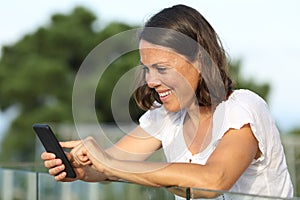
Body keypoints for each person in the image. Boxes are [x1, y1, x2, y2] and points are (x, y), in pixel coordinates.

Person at [41, 4, 294, 199]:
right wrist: (82, 169)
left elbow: (213, 181)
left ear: (199, 60)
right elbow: (112, 165)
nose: (150, 80)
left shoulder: (243, 109)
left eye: (161, 68)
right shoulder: (166, 118)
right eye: (147, 69)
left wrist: (109, 163)